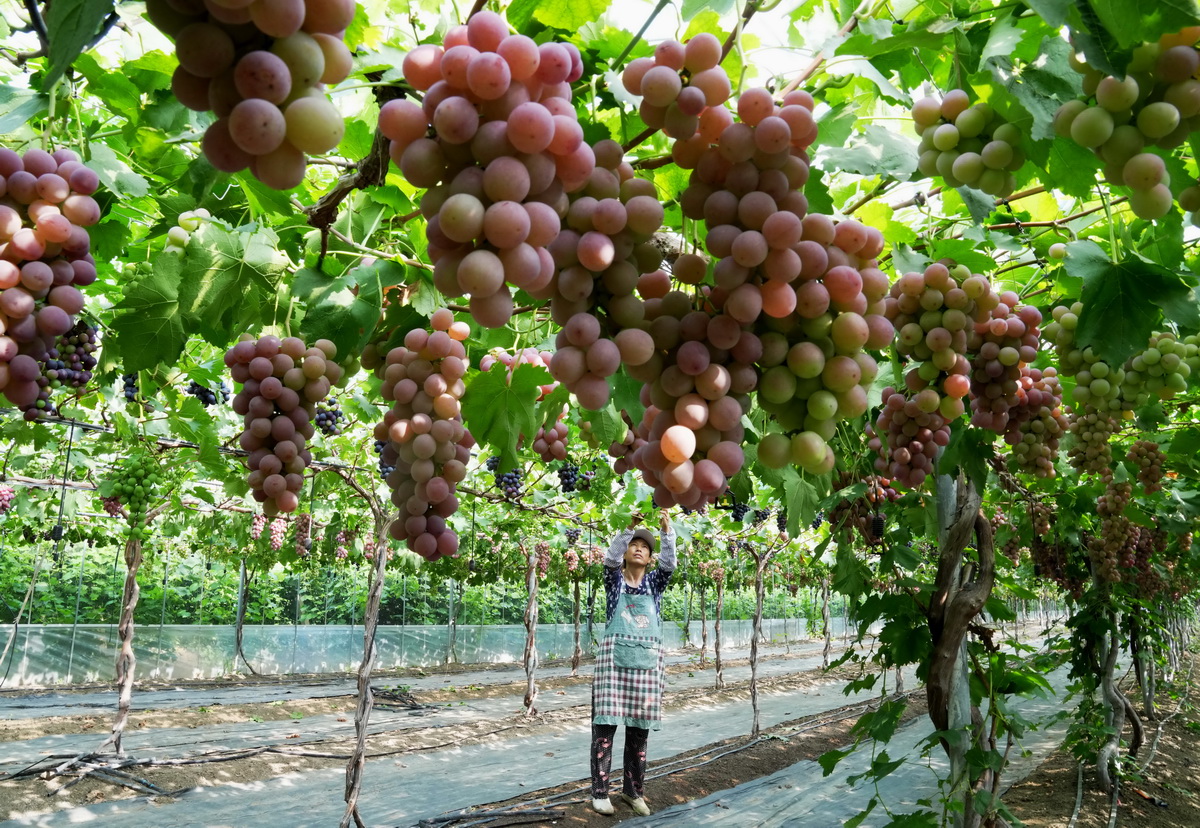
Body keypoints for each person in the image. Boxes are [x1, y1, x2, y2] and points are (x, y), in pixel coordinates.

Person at [589, 510, 676, 816]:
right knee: (605, 730)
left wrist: (667, 533)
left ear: (650, 558)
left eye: (645, 547)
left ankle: (633, 792)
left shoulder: (655, 585)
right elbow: (609, 559)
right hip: (614, 665)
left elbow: (670, 564)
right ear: (626, 553)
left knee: (638, 734)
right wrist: (629, 528)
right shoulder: (615, 583)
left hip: (646, 665)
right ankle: (600, 793)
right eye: (634, 545)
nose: (639, 548)